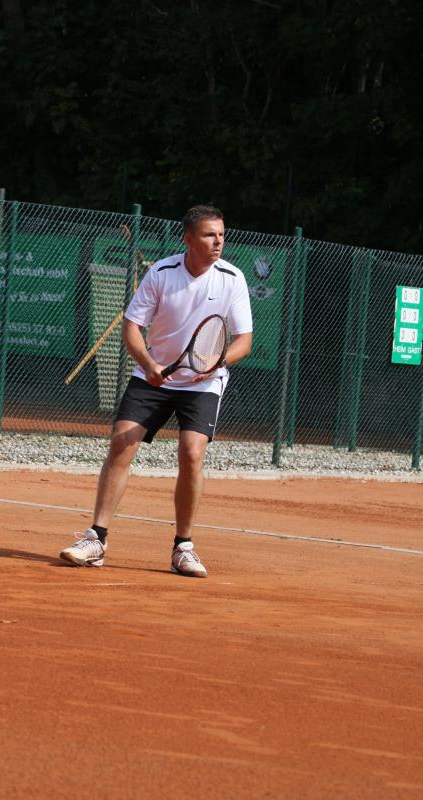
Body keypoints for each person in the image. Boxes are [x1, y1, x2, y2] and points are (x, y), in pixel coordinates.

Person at [59, 205, 253, 577]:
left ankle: (183, 548)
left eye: (221, 235)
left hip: (205, 382)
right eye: (209, 235)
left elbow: (244, 340)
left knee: (192, 452)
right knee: (122, 441)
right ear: (189, 239)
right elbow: (132, 328)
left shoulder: (232, 278)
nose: (218, 242)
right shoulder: (162, 273)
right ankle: (96, 539)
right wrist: (149, 365)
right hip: (153, 376)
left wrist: (214, 363)